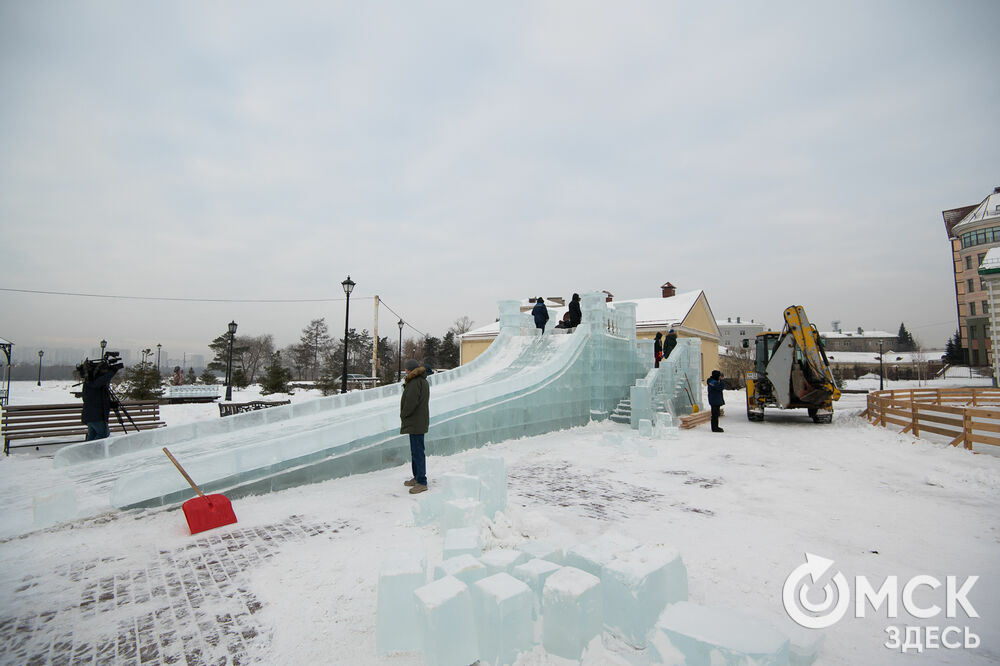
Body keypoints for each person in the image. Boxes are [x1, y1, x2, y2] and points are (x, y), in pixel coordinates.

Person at [400, 358, 430, 494]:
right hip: (418, 421)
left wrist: (404, 414)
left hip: (415, 421)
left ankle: (422, 482)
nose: (405, 370)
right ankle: (417, 477)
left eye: (406, 368)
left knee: (418, 452)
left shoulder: (415, 382)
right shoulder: (421, 381)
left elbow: (411, 403)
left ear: (409, 369)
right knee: (416, 451)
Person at [79, 360, 120, 440]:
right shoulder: (94, 383)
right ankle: (92, 451)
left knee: (92, 435)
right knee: (103, 434)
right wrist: (112, 371)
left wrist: (110, 404)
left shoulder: (92, 383)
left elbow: (96, 399)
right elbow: (99, 383)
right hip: (96, 415)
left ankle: (88, 451)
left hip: (92, 415)